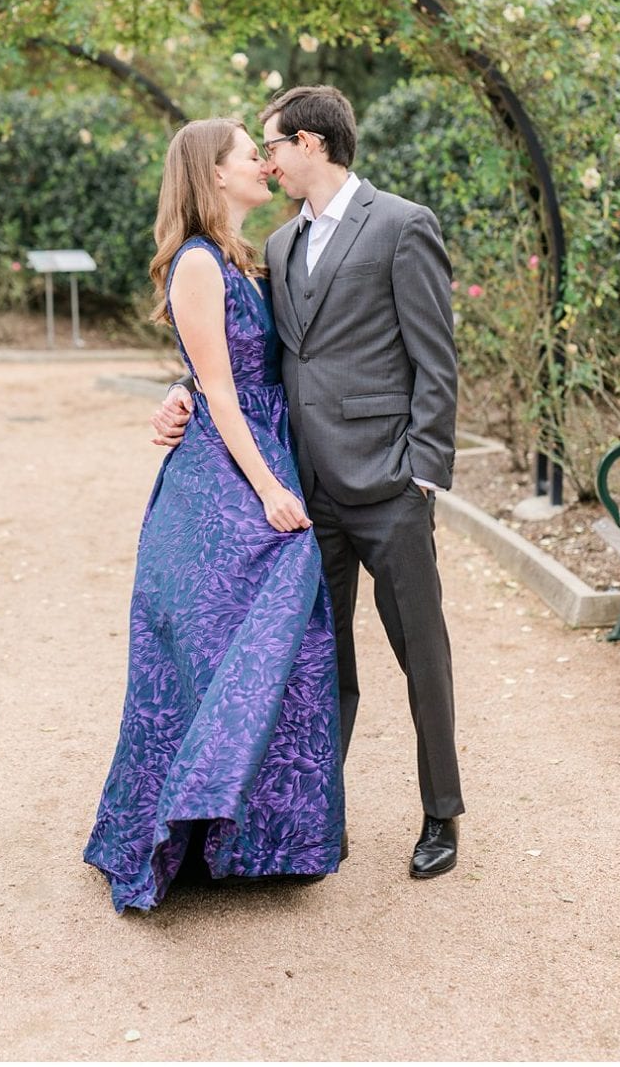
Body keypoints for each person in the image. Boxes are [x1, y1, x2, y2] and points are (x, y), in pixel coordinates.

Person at [151, 85, 464, 879]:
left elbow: (436, 361)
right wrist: (185, 389)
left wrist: (422, 476)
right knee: (322, 664)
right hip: (305, 490)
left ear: (312, 144)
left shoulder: (402, 224)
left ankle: (442, 815)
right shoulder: (280, 247)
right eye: (256, 151)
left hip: (390, 487)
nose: (268, 160)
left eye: (274, 146)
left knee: (420, 654)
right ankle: (317, 813)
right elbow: (255, 358)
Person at [85, 117, 345, 913]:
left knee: (270, 646)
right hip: (224, 475)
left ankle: (256, 838)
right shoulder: (198, 262)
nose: (262, 165)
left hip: (253, 449)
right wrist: (268, 487)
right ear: (213, 174)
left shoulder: (239, 255)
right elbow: (221, 388)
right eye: (248, 155)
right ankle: (184, 834)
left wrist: (184, 388)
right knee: (230, 647)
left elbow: (208, 371)